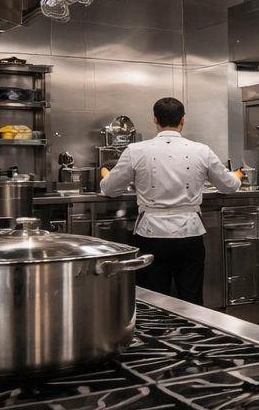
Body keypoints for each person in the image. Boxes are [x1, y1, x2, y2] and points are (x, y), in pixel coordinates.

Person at [99, 97, 240, 304]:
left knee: (153, 299)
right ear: (183, 120)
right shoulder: (201, 150)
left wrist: (105, 175)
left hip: (151, 233)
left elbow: (110, 189)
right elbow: (230, 185)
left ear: (155, 119)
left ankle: (156, 326)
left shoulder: (136, 150)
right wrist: (237, 176)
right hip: (190, 233)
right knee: (191, 297)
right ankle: (192, 325)